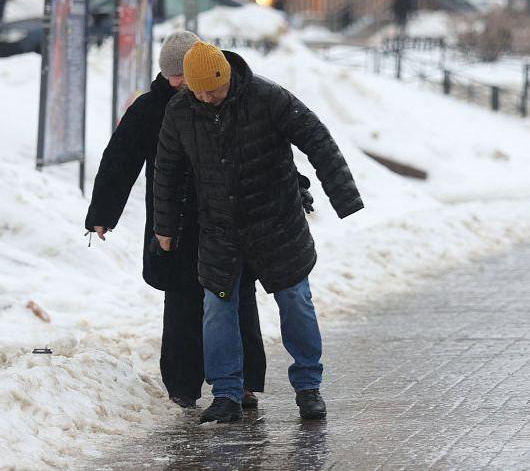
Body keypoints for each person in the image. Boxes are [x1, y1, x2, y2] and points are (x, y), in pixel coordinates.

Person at [153, 41, 363, 424]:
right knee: (217, 309)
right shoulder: (182, 111)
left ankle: (308, 387)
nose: (206, 98)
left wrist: (343, 196)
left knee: (296, 301)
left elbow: (317, 139)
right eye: (198, 92)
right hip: (219, 229)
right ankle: (227, 393)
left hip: (277, 223)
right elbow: (166, 170)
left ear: (227, 78)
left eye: (212, 91)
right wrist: (164, 227)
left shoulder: (268, 97)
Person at [85, 31, 275, 409]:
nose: (183, 83)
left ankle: (243, 382)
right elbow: (119, 160)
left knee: (237, 298)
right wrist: (103, 214)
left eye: (185, 75)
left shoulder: (228, 99)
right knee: (183, 303)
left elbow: (262, 150)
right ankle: (183, 386)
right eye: (175, 76)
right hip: (175, 222)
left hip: (229, 219)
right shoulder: (151, 108)